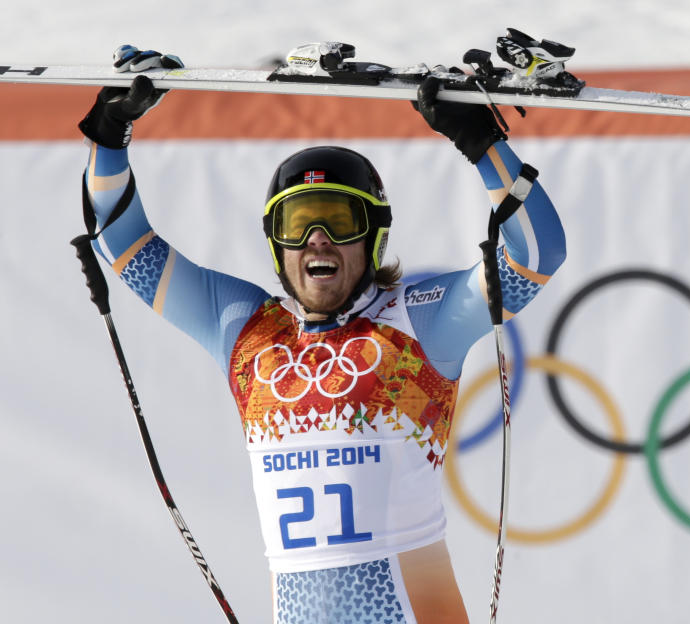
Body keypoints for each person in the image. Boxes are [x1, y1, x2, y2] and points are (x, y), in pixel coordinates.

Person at [78, 45, 565, 623]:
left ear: (373, 235)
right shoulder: (245, 332)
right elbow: (120, 241)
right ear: (276, 242)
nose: (316, 239)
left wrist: (484, 148)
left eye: (339, 220)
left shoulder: (418, 324)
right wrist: (110, 136)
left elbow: (536, 255)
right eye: (296, 222)